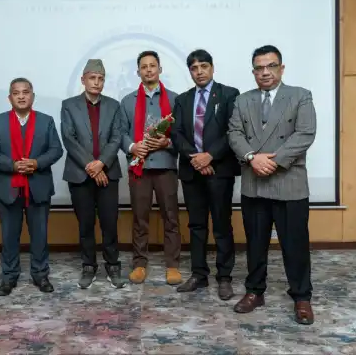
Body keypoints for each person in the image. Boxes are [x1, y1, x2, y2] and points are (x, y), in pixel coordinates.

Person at [228, 45, 317, 325]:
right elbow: (234, 133)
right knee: (255, 243)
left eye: (271, 66)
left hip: (289, 183)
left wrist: (273, 162)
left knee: (295, 245)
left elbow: (305, 134)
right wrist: (252, 158)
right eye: (259, 68)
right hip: (254, 183)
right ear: (253, 71)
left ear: (281, 68)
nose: (265, 72)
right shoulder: (243, 100)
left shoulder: (300, 96)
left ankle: (301, 296)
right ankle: (255, 291)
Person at [170, 49, 241, 300]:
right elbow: (176, 133)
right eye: (194, 68)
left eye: (203, 66)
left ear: (212, 68)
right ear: (190, 71)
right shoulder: (183, 99)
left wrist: (210, 156)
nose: (199, 72)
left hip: (220, 170)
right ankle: (199, 274)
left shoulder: (229, 94)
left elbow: (233, 131)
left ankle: (224, 277)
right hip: (192, 171)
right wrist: (196, 158)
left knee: (221, 224)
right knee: (196, 225)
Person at [0, 77, 63, 296]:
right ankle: (9, 277)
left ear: (32, 96)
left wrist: (36, 163)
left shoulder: (46, 121)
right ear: (9, 98)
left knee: (40, 235)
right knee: (9, 236)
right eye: (16, 93)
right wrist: (13, 165)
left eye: (25, 92)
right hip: (8, 187)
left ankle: (40, 274)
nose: (21, 96)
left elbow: (56, 150)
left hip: (38, 186)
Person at [60, 59, 126, 289]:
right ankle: (88, 265)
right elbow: (69, 138)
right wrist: (92, 166)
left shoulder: (113, 105)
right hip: (80, 175)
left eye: (100, 79)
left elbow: (117, 137)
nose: (96, 82)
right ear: (83, 80)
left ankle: (113, 265)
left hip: (108, 173)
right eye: (92, 78)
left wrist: (101, 164)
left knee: (110, 223)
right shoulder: (69, 105)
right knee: (85, 224)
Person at [119, 50, 182, 286]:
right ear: (138, 72)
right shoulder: (127, 101)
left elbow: (182, 135)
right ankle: (139, 264)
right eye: (144, 67)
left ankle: (172, 265)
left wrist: (168, 143)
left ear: (159, 69)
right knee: (140, 218)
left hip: (166, 167)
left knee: (171, 217)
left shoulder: (175, 100)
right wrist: (133, 147)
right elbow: (121, 133)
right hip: (140, 168)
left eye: (152, 65)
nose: (148, 70)